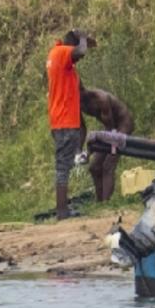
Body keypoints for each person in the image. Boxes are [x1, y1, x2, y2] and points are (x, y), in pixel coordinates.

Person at [45, 29, 94, 218]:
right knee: (62, 166)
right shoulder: (62, 52)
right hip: (64, 120)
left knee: (64, 163)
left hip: (65, 119)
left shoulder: (60, 60)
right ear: (72, 45)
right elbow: (79, 52)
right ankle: (62, 210)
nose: (80, 59)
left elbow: (76, 88)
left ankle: (63, 207)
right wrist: (83, 38)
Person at [80, 86, 134, 203]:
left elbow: (112, 131)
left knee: (108, 165)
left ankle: (106, 203)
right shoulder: (77, 103)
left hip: (122, 125)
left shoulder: (101, 99)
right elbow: (82, 128)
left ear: (81, 91)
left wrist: (111, 150)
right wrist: (81, 151)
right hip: (109, 129)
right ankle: (99, 203)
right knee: (94, 167)